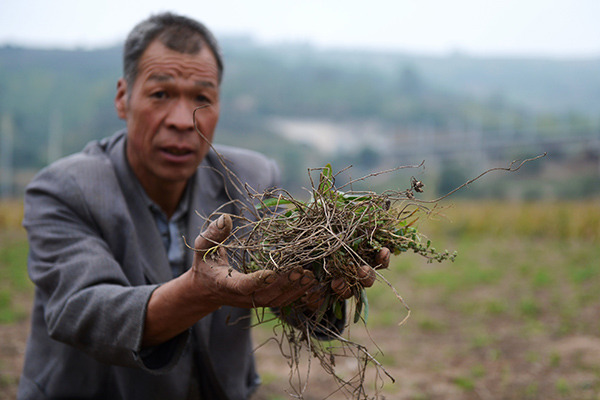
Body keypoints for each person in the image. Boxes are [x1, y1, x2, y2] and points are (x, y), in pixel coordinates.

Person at [17, 12, 389, 400]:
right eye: (160, 94)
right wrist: (201, 292)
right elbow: (84, 310)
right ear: (123, 98)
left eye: (202, 98)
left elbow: (290, 284)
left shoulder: (252, 178)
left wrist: (324, 274)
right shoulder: (65, 189)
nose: (182, 120)